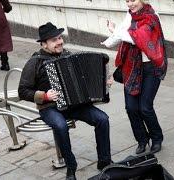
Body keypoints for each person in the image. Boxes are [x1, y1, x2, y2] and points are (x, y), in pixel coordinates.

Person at [18, 22, 112, 180]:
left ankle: (104, 162)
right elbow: (23, 91)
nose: (60, 41)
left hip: (74, 105)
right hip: (49, 108)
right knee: (60, 126)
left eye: (60, 37)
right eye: (54, 40)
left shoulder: (68, 55)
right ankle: (71, 167)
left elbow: (84, 79)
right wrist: (45, 96)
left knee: (103, 119)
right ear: (44, 44)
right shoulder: (35, 62)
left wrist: (103, 83)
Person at [102, 0, 167, 154]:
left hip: (151, 67)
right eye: (127, 1)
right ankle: (142, 140)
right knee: (131, 108)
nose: (130, 4)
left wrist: (115, 30)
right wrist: (109, 41)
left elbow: (136, 37)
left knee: (145, 107)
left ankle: (157, 138)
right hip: (131, 67)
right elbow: (123, 35)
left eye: (133, 0)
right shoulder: (129, 15)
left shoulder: (152, 17)